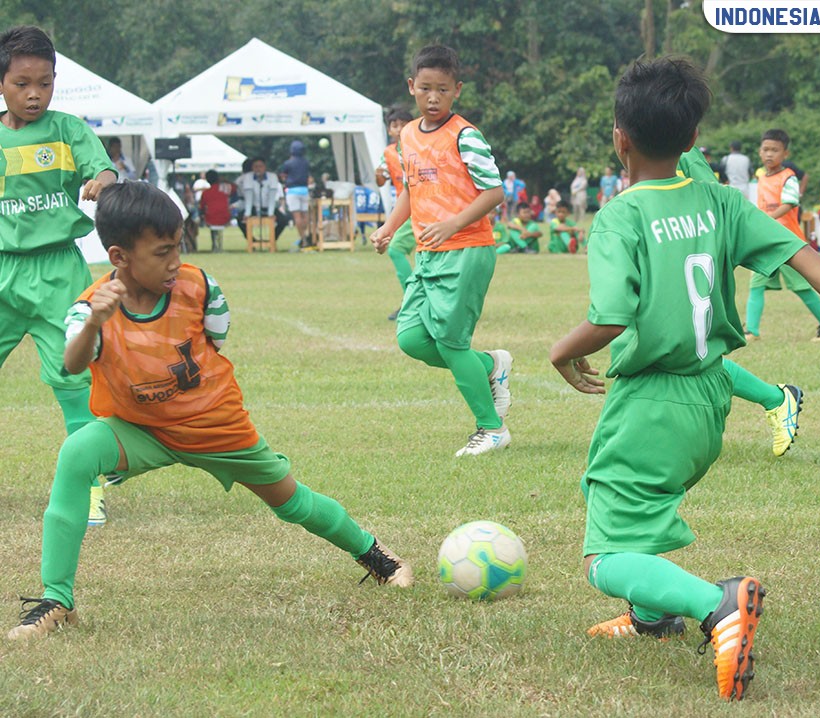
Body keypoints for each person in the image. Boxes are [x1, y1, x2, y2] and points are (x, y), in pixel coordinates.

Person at [549, 56, 820, 701]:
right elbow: (795, 249)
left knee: (605, 558)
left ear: (618, 137)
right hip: (710, 396)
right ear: (691, 142)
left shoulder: (621, 216)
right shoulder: (715, 201)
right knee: (641, 505)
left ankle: (718, 605)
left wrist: (560, 352)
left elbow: (610, 316)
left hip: (652, 398)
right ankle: (653, 619)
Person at [5, 182, 412, 641]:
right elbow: (73, 364)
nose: (175, 261)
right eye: (161, 252)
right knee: (78, 452)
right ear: (119, 257)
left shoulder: (199, 287)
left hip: (217, 427)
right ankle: (57, 600)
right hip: (142, 429)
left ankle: (378, 556)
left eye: (177, 246)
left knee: (291, 501)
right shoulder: (90, 308)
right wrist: (96, 322)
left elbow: (217, 337)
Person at [370, 44, 512, 457]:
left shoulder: (466, 136)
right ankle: (490, 366)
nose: (433, 98)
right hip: (430, 254)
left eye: (443, 90)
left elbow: (495, 192)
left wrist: (454, 222)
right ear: (412, 86)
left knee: (450, 342)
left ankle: (491, 428)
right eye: (426, 88)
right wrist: (387, 227)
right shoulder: (408, 136)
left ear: (457, 91)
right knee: (412, 337)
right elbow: (410, 191)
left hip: (467, 249)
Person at [0, 25, 117, 526]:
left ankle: (89, 488)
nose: (34, 93)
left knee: (74, 378)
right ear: (2, 82)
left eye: (44, 83)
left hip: (57, 270)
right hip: (3, 267)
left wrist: (102, 180)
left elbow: (107, 170)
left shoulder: (69, 131)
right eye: (22, 82)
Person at [677, 146, 804, 456]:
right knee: (681, 353)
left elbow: (714, 206)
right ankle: (773, 399)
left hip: (691, 263)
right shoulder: (639, 138)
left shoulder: (682, 149)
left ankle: (772, 399)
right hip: (669, 261)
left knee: (689, 353)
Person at [746, 130, 820, 344]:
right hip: (765, 241)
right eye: (765, 149)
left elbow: (789, 204)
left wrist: (767, 218)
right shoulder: (760, 176)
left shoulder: (789, 177)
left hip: (787, 242)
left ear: (785, 153)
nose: (769, 154)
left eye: (775, 150)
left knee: (801, 287)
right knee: (756, 284)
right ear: (760, 152)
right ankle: (751, 331)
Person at [375, 108, 416, 321]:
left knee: (397, 249)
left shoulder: (419, 146)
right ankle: (417, 301)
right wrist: (378, 176)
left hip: (422, 206)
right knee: (410, 252)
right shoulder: (389, 152)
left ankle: (413, 302)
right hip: (405, 208)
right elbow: (381, 180)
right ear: (389, 130)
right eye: (394, 125)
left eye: (403, 123)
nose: (398, 128)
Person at [241, 157, 287, 239]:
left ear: (265, 167)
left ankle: (272, 239)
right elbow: (249, 197)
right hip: (254, 207)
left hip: (268, 206)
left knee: (283, 220)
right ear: (252, 168)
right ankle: (251, 240)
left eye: (260, 166)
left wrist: (271, 213)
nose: (258, 169)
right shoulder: (248, 177)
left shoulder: (272, 177)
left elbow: (272, 197)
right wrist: (247, 213)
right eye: (255, 166)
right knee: (240, 218)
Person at [278, 140, 311, 248]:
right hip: (304, 190)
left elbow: (283, 175)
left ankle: (303, 239)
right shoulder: (306, 162)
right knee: (305, 214)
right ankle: (305, 233)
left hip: (292, 190)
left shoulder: (288, 163)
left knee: (297, 216)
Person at [198, 169, 236, 252]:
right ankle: (219, 245)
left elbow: (202, 208)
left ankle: (214, 245)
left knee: (211, 220)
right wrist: (224, 180)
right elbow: (235, 187)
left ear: (207, 180)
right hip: (225, 217)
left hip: (211, 219)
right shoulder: (225, 188)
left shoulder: (206, 193)